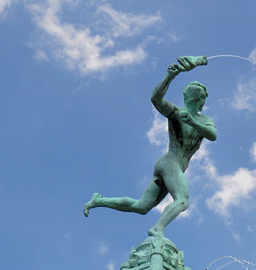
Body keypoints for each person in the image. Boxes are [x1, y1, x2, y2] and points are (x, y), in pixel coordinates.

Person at [84, 56, 217, 237]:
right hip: (170, 163)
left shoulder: (202, 120)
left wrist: (192, 122)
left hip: (170, 165)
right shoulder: (178, 114)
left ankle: (99, 200)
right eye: (202, 98)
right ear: (199, 100)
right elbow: (156, 99)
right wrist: (170, 76)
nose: (203, 102)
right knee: (182, 200)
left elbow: (212, 135)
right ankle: (157, 228)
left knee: (141, 206)